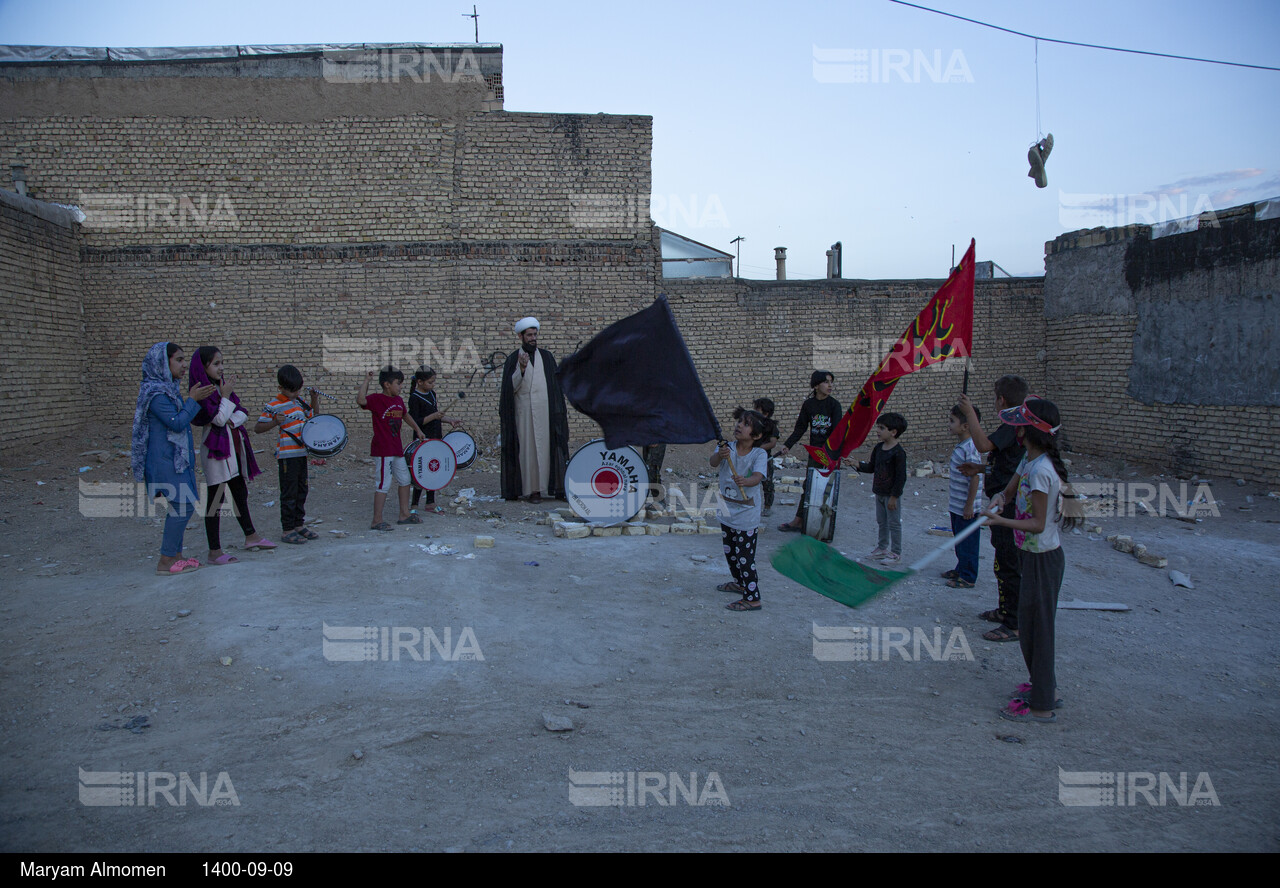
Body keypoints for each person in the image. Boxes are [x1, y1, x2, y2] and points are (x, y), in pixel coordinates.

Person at [982, 397, 1081, 723]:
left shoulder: (1041, 471)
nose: (1014, 429)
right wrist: (999, 498)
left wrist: (1001, 521)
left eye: (1019, 425)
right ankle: (1042, 686)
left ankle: (1042, 705)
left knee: (1038, 632)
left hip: (1043, 560)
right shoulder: (1029, 459)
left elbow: (1037, 524)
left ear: (1028, 432)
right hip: (1031, 556)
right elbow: (1009, 492)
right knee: (1030, 629)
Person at [131, 341, 216, 575]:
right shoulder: (156, 393)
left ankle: (176, 556)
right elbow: (177, 423)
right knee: (183, 505)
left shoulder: (168, 389)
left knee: (183, 505)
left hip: (176, 460)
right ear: (162, 363)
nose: (184, 365)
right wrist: (193, 400)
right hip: (164, 460)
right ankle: (166, 560)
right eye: (178, 360)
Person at [958, 374, 1028, 642]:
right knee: (1002, 561)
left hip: (1008, 507)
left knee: (1009, 563)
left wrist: (969, 413)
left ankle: (1014, 623)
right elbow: (1007, 460)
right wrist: (981, 468)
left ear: (1001, 399)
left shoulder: (1014, 422)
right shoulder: (1012, 425)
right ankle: (1005, 609)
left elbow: (984, 445)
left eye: (994, 398)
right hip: (1001, 501)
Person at [190, 346, 275, 563]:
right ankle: (214, 551)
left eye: (222, 363)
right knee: (216, 500)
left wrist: (229, 414)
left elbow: (241, 412)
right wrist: (225, 398)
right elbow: (216, 419)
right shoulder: (203, 393)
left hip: (233, 448)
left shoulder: (220, 387)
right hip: (216, 452)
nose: (221, 368)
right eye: (216, 364)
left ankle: (251, 536)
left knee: (239, 493)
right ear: (204, 367)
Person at [499, 317, 569, 503]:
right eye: (529, 335)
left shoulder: (546, 357)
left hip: (545, 413)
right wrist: (521, 369)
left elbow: (555, 386)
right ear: (521, 336)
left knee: (548, 449)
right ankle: (533, 491)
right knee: (528, 452)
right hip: (524, 415)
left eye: (534, 334)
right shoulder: (513, 359)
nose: (532, 338)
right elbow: (509, 389)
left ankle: (554, 488)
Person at [254, 365, 319, 545]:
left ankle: (299, 525)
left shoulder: (299, 402)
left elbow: (314, 417)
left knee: (302, 490)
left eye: (297, 389)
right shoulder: (274, 405)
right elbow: (258, 428)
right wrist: (275, 422)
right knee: (289, 492)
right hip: (287, 456)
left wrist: (314, 399)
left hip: (301, 454)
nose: (295, 393)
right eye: (291, 390)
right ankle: (287, 529)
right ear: (281, 388)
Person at [711, 409, 768, 612]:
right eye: (739, 422)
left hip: (746, 515)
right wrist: (720, 454)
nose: (739, 425)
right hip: (727, 511)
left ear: (757, 435)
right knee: (731, 553)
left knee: (745, 558)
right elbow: (713, 462)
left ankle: (753, 598)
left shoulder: (759, 454)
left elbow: (758, 477)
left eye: (745, 424)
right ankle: (740, 583)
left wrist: (746, 480)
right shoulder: (727, 447)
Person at [359, 366, 427, 531]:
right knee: (383, 483)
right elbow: (361, 401)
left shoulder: (398, 401)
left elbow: (405, 415)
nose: (400, 386)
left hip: (396, 449)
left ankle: (404, 514)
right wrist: (367, 380)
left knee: (404, 480)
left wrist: (417, 429)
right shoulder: (377, 399)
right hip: (383, 450)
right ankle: (377, 520)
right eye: (398, 383)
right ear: (387, 384)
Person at [776, 371, 841, 532]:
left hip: (831, 454)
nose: (830, 385)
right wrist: (788, 445)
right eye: (826, 382)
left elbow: (837, 433)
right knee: (809, 485)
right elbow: (800, 428)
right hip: (815, 453)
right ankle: (799, 520)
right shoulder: (809, 405)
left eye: (831, 382)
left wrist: (834, 454)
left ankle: (823, 526)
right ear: (816, 385)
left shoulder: (834, 405)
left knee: (828, 488)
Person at [407, 366, 461, 516]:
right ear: (419, 382)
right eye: (430, 382)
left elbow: (437, 415)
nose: (433, 385)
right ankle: (414, 504)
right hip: (423, 438)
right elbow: (416, 421)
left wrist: (449, 420)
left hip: (436, 437)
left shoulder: (432, 394)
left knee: (433, 469)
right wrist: (434, 416)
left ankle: (431, 503)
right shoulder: (414, 398)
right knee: (421, 471)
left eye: (433, 382)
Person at [856, 413, 908, 565]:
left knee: (894, 523)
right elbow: (872, 467)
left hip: (891, 495)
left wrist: (894, 496)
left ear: (893, 432)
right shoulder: (878, 448)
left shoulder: (899, 453)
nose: (877, 431)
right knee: (881, 521)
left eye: (881, 428)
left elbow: (901, 477)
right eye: (877, 427)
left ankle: (896, 552)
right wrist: (857, 464)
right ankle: (882, 548)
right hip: (879, 492)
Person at [943, 404, 982, 587]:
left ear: (966, 426)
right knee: (960, 540)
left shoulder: (971, 448)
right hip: (957, 506)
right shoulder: (962, 446)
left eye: (952, 421)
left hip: (967, 508)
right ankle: (960, 568)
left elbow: (975, 478)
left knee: (969, 543)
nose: (948, 425)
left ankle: (968, 576)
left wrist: (969, 505)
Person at [753, 397, 779, 517]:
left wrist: (758, 450)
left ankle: (767, 507)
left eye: (757, 410)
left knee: (767, 483)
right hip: (751, 458)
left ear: (766, 412)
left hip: (765, 459)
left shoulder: (772, 427)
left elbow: (772, 443)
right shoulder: (752, 424)